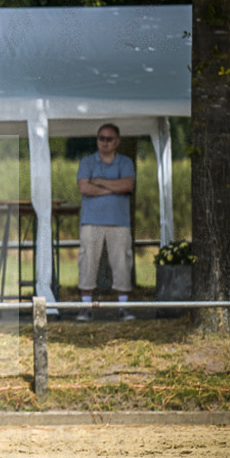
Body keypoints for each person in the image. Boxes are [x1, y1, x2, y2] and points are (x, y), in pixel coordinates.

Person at [76, 123, 136, 322]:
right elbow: (84, 188)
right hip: (90, 222)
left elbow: (128, 184)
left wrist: (100, 182)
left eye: (109, 139)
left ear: (117, 142)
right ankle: (86, 308)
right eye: (101, 138)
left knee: (122, 264)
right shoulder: (87, 161)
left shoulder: (126, 162)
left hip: (119, 222)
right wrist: (114, 188)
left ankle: (123, 308)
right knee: (87, 264)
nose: (105, 142)